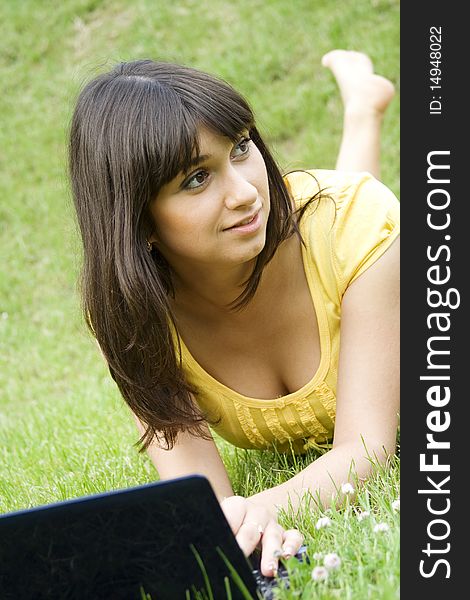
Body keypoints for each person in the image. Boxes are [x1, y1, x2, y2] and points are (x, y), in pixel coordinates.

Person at [69, 50, 399, 579]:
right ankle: (363, 104)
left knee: (349, 215)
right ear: (136, 219)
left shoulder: (357, 227)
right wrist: (237, 529)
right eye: (197, 179)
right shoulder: (133, 314)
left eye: (242, 148)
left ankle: (362, 107)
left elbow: (371, 449)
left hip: (358, 235)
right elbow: (204, 501)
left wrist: (261, 508)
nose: (246, 193)